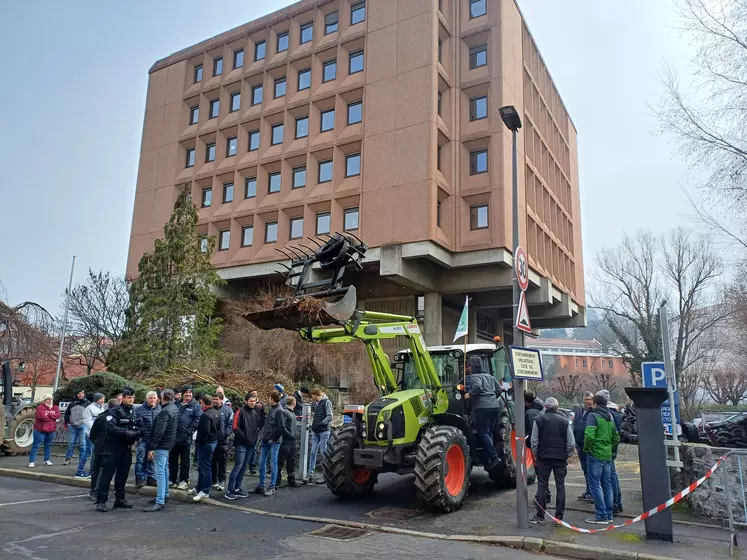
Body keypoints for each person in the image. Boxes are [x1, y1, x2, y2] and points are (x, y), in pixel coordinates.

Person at [529, 397, 575, 525]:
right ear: (557, 407)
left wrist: (536, 454)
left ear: (545, 407)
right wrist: (566, 455)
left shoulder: (538, 420)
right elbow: (571, 443)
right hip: (560, 458)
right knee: (560, 486)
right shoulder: (565, 422)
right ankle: (559, 517)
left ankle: (540, 515)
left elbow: (534, 441)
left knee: (542, 486)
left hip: (543, 458)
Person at [95, 388, 142, 512]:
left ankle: (120, 499)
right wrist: (126, 432)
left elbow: (140, 425)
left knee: (122, 476)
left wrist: (137, 433)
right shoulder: (114, 411)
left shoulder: (134, 411)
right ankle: (101, 501)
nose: (131, 400)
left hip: (126, 448)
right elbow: (111, 427)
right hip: (113, 447)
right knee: (107, 475)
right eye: (128, 397)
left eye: (132, 397)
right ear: (123, 398)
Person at [583, 392, 620, 525]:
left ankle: (601, 515)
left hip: (595, 454)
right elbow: (616, 437)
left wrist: (587, 449)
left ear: (596, 403)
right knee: (607, 484)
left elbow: (589, 436)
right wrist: (610, 448)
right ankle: (609, 514)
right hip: (607, 455)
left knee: (594, 485)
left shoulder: (593, 416)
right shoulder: (609, 416)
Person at [143, 389, 179, 512]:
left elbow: (158, 432)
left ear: (162, 397)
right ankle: (165, 495)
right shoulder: (174, 408)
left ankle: (160, 500)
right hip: (169, 443)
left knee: (159, 472)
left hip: (162, 445)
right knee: (164, 470)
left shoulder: (164, 412)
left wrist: (152, 448)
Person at [466, 356, 501, 471]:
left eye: (469, 366)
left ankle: (494, 457)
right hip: (495, 407)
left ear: (473, 367)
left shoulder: (475, 376)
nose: (468, 369)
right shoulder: (490, 377)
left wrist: (469, 395)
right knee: (489, 433)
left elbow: (477, 387)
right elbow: (499, 390)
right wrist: (492, 397)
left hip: (482, 408)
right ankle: (487, 461)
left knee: (483, 433)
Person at [226, 393, 263, 499]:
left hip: (251, 444)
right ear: (246, 401)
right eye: (251, 401)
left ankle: (237, 488)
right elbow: (235, 427)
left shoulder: (255, 413)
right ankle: (230, 490)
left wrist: (254, 439)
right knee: (238, 466)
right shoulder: (240, 412)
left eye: (254, 401)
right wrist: (245, 438)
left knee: (243, 467)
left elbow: (257, 428)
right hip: (241, 444)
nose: (253, 403)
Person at [170, 385, 201, 490]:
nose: (188, 394)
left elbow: (197, 421)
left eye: (190, 392)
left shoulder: (195, 406)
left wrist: (189, 432)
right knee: (172, 460)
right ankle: (172, 479)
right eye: (186, 392)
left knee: (185, 461)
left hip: (185, 439)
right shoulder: (176, 404)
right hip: (173, 438)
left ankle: (184, 480)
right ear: (182, 393)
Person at [88, 398, 118, 501]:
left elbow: (92, 434)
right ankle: (97, 492)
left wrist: (96, 442)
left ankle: (93, 491)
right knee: (103, 470)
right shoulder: (114, 418)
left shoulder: (100, 417)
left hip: (98, 446)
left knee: (95, 470)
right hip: (108, 448)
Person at [255, 390, 284, 496]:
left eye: (269, 398)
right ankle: (261, 485)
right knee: (261, 462)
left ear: (272, 399)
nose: (268, 400)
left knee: (273, 463)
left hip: (273, 441)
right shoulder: (271, 409)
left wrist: (274, 439)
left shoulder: (279, 411)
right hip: (266, 439)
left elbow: (281, 427)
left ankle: (272, 486)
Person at [192, 394, 220, 502]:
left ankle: (205, 490)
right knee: (204, 467)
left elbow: (204, 431)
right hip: (213, 442)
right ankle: (200, 487)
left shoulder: (205, 415)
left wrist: (199, 442)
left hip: (206, 444)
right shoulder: (216, 413)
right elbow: (219, 428)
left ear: (203, 403)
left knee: (205, 468)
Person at [306, 387, 333, 483]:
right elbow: (313, 414)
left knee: (323, 452)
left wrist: (322, 423)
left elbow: (330, 416)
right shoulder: (314, 403)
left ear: (316, 395)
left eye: (313, 396)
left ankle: (326, 474)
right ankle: (310, 474)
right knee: (313, 452)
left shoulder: (327, 402)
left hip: (324, 431)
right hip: (315, 431)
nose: (312, 398)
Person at [135, 391, 161, 487]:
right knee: (140, 459)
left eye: (154, 398)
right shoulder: (139, 410)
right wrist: (138, 436)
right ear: (147, 399)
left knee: (152, 459)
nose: (153, 400)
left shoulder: (159, 409)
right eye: (151, 398)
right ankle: (139, 479)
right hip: (143, 439)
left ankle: (151, 478)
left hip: (154, 439)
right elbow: (135, 424)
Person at [77, 393, 106, 479]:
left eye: (103, 399)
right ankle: (81, 470)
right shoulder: (89, 408)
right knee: (90, 453)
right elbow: (87, 421)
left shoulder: (102, 407)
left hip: (98, 434)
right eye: (101, 399)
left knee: (93, 452)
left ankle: (91, 471)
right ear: (96, 399)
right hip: (91, 434)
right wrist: (95, 429)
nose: (103, 401)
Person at [574, 391, 595, 502]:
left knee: (591, 470)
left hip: (590, 446)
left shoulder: (594, 412)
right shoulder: (579, 410)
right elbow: (575, 424)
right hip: (579, 444)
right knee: (585, 469)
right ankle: (588, 491)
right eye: (586, 399)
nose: (588, 402)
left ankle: (592, 492)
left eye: (590, 399)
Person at [29, 395, 60, 468]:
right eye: (48, 399)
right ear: (44, 400)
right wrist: (53, 417)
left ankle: (47, 460)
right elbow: (42, 417)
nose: (50, 401)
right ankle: (32, 461)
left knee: (48, 445)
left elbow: (58, 415)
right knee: (36, 445)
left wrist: (49, 415)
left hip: (51, 430)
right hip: (40, 430)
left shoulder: (55, 407)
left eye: (51, 399)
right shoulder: (40, 408)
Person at [211, 392, 234, 492]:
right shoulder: (210, 409)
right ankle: (214, 480)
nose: (214, 401)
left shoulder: (227, 410)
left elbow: (231, 424)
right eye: (213, 399)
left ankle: (222, 481)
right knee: (212, 461)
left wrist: (225, 434)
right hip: (211, 440)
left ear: (221, 400)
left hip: (222, 441)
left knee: (222, 462)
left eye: (216, 399)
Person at [63, 390, 90, 466]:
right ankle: (68, 458)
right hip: (72, 426)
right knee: (71, 443)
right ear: (76, 394)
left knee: (82, 443)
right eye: (79, 393)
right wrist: (68, 423)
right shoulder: (72, 404)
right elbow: (67, 414)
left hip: (83, 426)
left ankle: (81, 459)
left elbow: (90, 415)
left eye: (82, 393)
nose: (80, 395)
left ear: (84, 394)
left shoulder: (88, 404)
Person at [607, 399, 624, 514]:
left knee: (610, 478)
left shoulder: (608, 415)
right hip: (611, 449)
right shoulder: (617, 414)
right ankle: (618, 503)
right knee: (613, 477)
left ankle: (614, 504)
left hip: (606, 450)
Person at [279, 396, 300, 488]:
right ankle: (277, 481)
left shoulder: (291, 413)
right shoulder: (285, 412)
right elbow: (282, 426)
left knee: (291, 461)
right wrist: (290, 435)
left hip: (291, 440)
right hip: (286, 440)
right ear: (294, 403)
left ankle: (291, 479)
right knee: (281, 461)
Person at [248, 389, 265, 475]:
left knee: (254, 448)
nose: (255, 394)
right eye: (253, 393)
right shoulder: (246, 405)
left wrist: (260, 427)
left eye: (256, 393)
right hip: (247, 430)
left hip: (256, 429)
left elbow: (263, 416)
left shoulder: (260, 405)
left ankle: (252, 466)